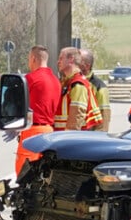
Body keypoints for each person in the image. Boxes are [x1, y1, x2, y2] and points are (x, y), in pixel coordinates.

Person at [12, 45, 61, 173]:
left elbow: (18, 103)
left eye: (29, 59)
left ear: (33, 58)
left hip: (32, 131)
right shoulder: (56, 81)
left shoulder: (30, 79)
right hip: (49, 130)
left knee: (23, 173)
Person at [53, 46, 103, 131]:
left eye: (61, 58)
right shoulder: (67, 82)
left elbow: (77, 116)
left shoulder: (78, 84)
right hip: (60, 135)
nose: (58, 62)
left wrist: (67, 138)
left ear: (71, 59)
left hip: (69, 138)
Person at [79, 48, 111, 132]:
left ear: (87, 65)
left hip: (87, 136)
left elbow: (104, 117)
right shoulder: (69, 82)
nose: (73, 62)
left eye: (77, 60)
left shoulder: (99, 86)